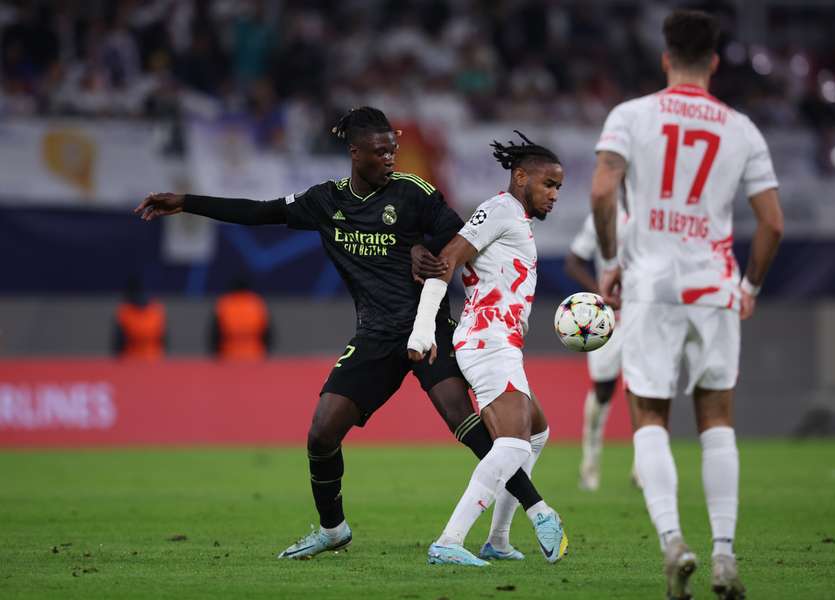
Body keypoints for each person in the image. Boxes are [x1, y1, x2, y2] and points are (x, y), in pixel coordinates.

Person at [135, 107, 556, 561]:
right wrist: (187, 202)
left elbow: (457, 234)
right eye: (381, 152)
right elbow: (260, 212)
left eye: (393, 150)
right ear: (355, 153)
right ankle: (333, 529)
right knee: (321, 433)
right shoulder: (325, 202)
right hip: (374, 336)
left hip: (426, 328)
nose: (391, 159)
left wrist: (422, 246)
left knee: (466, 422)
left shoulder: (412, 192)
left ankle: (534, 513)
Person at [591, 10, 783, 600]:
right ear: (716, 63)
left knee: (649, 416)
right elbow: (772, 223)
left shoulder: (632, 116)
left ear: (665, 59)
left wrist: (611, 259)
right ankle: (725, 555)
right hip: (714, 285)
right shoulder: (742, 129)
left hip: (651, 282)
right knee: (716, 420)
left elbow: (602, 189)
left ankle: (674, 542)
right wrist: (748, 288)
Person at [408, 132, 568, 567]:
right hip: (486, 339)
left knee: (536, 433)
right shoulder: (501, 209)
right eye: (548, 184)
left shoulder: (514, 217)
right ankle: (449, 540)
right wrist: (423, 330)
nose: (554, 194)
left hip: (501, 341)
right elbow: (448, 259)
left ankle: (497, 539)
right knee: (513, 446)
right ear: (520, 178)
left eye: (559, 187)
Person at [564, 211, 640, 492]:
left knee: (644, 388)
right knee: (603, 390)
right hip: (609, 322)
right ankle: (590, 464)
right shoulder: (603, 215)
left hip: (646, 316)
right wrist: (599, 293)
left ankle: (643, 468)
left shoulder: (652, 209)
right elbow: (573, 261)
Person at [210, 277, 272, 360]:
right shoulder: (257, 303)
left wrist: (215, 354)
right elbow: (267, 332)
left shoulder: (224, 303)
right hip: (254, 355)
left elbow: (215, 333)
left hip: (228, 356)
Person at [113, 276, 167, 360]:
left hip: (152, 361)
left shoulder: (155, 310)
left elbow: (163, 340)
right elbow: (118, 343)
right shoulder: (125, 312)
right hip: (131, 361)